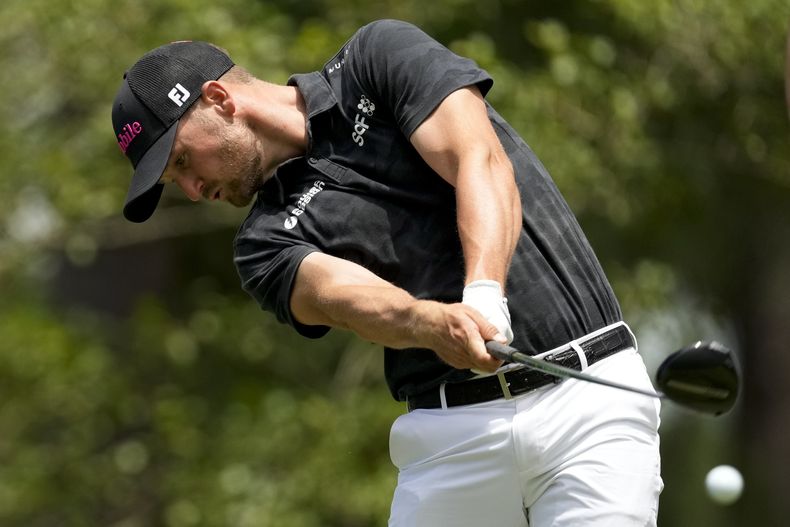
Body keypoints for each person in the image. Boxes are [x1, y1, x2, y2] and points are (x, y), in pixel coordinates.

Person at [111, 19, 662, 526]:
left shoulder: (376, 60)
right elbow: (338, 294)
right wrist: (427, 322)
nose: (192, 191)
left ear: (219, 99)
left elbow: (479, 159)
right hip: (450, 440)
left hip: (585, 401)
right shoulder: (261, 242)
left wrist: (485, 297)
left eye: (182, 161)